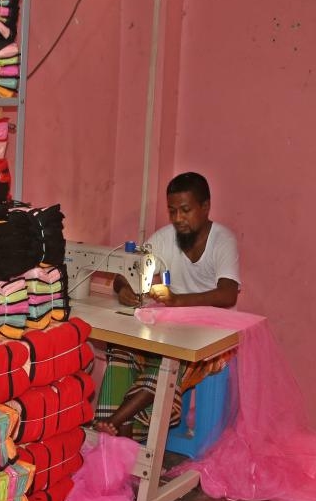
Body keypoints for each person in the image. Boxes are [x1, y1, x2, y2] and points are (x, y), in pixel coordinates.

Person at [93, 171, 241, 439]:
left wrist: (178, 301)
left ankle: (112, 421)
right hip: (169, 327)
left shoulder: (222, 240)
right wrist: (124, 288)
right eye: (172, 211)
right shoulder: (165, 237)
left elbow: (228, 294)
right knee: (122, 350)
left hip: (206, 337)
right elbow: (124, 273)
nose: (178, 219)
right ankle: (120, 431)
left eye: (185, 210)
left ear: (205, 207)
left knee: (167, 362)